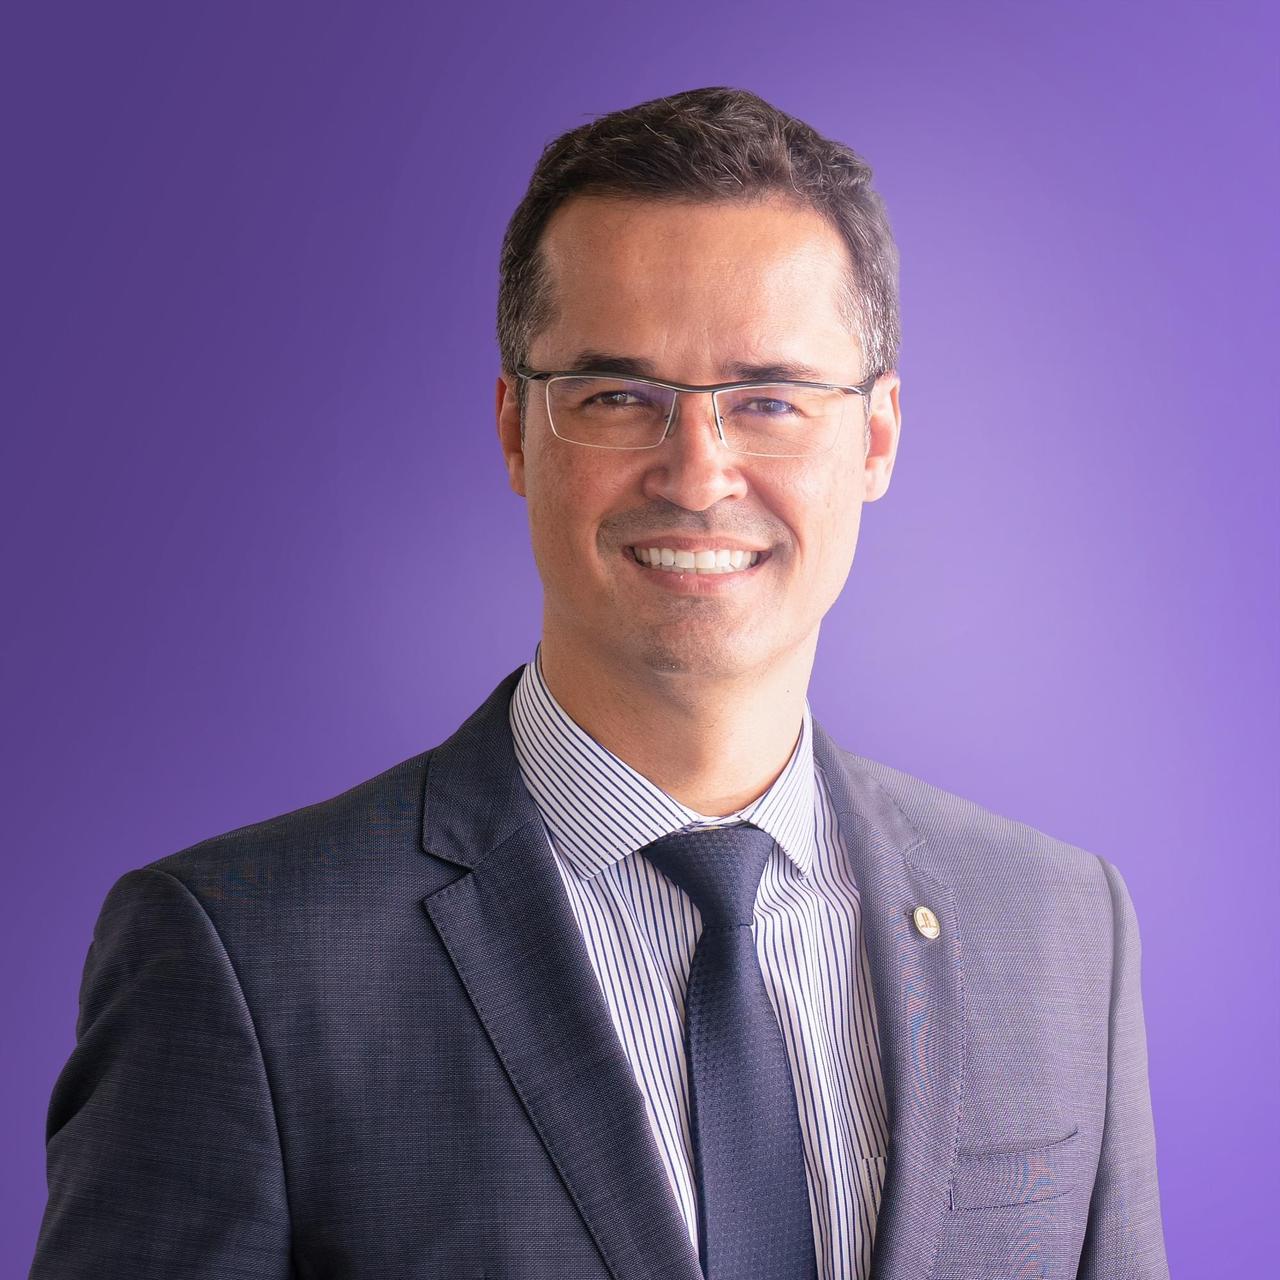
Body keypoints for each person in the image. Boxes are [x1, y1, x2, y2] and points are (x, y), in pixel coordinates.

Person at [28, 86, 1168, 1280]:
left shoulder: (1061, 930)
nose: (696, 473)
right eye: (618, 396)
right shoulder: (240, 958)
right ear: (515, 430)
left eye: (768, 399)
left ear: (874, 437)